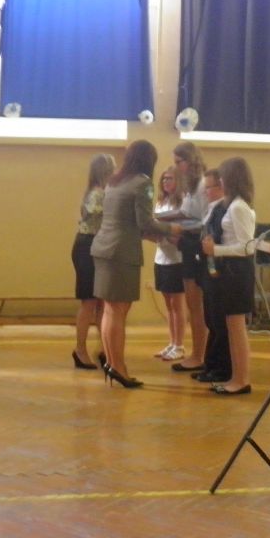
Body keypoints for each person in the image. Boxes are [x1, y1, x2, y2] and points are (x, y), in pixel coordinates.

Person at [90, 140, 180, 388]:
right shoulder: (143, 183)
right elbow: (145, 222)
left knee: (109, 310)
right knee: (119, 311)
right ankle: (119, 368)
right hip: (122, 253)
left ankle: (112, 363)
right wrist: (172, 229)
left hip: (104, 249)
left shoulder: (114, 181)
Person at [201, 157, 256, 396]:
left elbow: (247, 247)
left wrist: (216, 250)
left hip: (238, 272)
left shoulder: (238, 207)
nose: (220, 181)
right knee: (232, 328)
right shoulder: (232, 204)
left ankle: (242, 380)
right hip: (231, 271)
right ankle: (236, 377)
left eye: (222, 177)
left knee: (237, 328)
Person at [70, 153, 115, 370]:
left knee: (101, 302)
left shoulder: (97, 192)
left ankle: (104, 349)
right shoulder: (99, 194)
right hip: (88, 247)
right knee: (89, 302)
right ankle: (80, 349)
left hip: (93, 246)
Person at [170, 143, 210, 373]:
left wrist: (173, 227)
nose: (177, 167)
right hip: (188, 244)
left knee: (196, 305)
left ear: (190, 160)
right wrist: (159, 219)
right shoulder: (190, 186)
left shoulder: (203, 185)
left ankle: (198, 355)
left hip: (197, 245)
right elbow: (184, 213)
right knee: (191, 304)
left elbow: (204, 222)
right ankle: (198, 353)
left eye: (179, 162)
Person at [192, 170, 231, 384]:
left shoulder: (224, 209)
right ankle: (210, 364)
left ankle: (220, 368)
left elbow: (219, 238)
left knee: (218, 321)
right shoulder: (213, 208)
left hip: (219, 271)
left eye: (209, 187)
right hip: (208, 268)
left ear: (221, 187)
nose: (205, 192)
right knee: (210, 320)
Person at [152, 167, 186, 362]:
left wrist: (166, 233)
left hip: (177, 259)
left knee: (177, 304)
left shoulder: (182, 204)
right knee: (168, 304)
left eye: (170, 178)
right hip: (161, 257)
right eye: (164, 178)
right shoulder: (160, 202)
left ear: (178, 181)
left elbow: (181, 231)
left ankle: (179, 345)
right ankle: (172, 342)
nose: (166, 181)